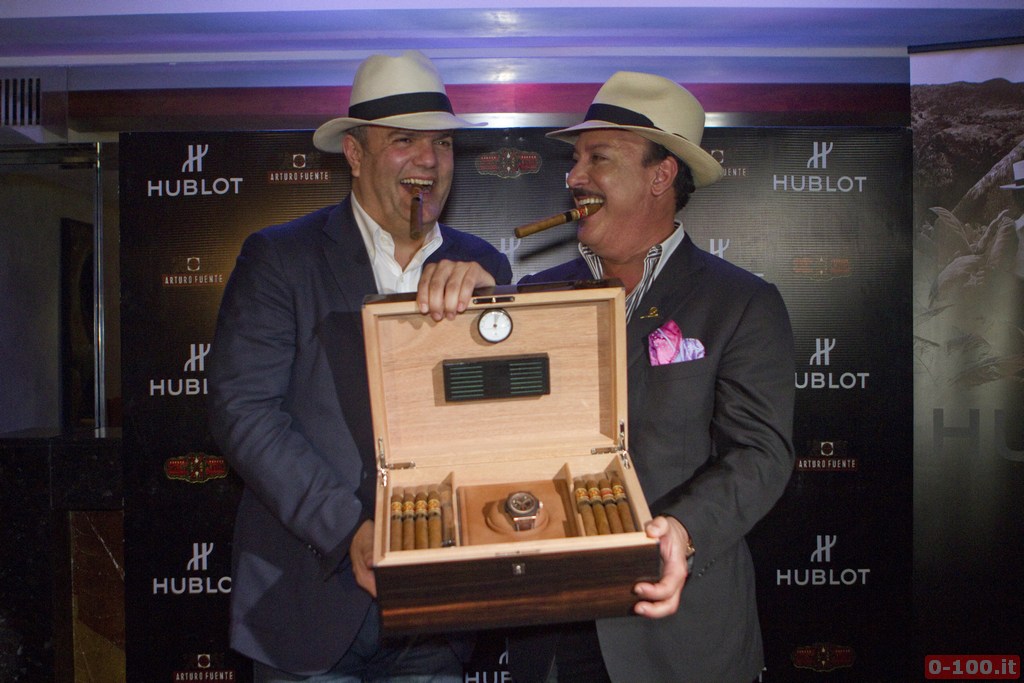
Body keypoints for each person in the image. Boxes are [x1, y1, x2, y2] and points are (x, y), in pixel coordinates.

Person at [421, 70, 795, 682]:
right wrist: (478, 320)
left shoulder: (741, 303)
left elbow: (761, 454)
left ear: (660, 175)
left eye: (598, 158)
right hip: (554, 630)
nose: (574, 176)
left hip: (678, 636)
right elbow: (490, 432)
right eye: (575, 160)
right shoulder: (533, 295)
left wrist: (682, 530)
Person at [207, 50, 512, 682]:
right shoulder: (281, 258)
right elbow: (244, 412)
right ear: (353, 153)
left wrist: (496, 316)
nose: (429, 160)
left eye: (442, 143)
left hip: (436, 611)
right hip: (309, 600)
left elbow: (508, 418)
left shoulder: (484, 266)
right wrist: (350, 528)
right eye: (404, 141)